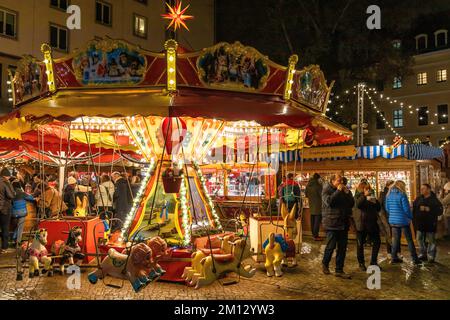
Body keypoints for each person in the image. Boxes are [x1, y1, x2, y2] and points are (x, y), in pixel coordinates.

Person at [321, 174, 354, 279]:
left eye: (342, 181)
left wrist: (348, 193)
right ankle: (325, 264)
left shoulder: (344, 190)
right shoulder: (326, 190)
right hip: (332, 223)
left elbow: (352, 203)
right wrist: (338, 191)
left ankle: (339, 270)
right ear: (332, 181)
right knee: (331, 246)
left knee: (342, 248)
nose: (341, 183)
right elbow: (329, 202)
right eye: (339, 181)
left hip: (343, 223)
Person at [385, 180, 420, 265]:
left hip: (393, 221)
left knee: (395, 240)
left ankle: (394, 257)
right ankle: (415, 258)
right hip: (403, 221)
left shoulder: (388, 195)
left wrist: (393, 214)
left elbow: (387, 208)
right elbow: (406, 209)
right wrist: (411, 217)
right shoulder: (402, 195)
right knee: (409, 240)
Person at [413, 184, 443, 263]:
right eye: (421, 188)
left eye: (423, 189)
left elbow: (440, 211)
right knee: (419, 239)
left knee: (431, 240)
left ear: (428, 190)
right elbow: (414, 207)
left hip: (430, 223)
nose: (421, 190)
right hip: (420, 223)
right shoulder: (419, 198)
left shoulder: (434, 200)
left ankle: (431, 256)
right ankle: (423, 254)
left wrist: (429, 209)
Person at [355, 183, 382, 271]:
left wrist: (375, 201)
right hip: (362, 224)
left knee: (377, 242)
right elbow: (358, 205)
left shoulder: (371, 197)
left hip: (372, 224)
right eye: (366, 189)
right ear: (362, 189)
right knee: (360, 244)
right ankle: (361, 263)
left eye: (369, 189)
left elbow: (378, 208)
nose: (369, 190)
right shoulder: (358, 196)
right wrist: (364, 196)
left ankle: (373, 261)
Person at [11, 180, 34, 245]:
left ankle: (14, 238)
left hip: (13, 213)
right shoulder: (23, 193)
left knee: (17, 226)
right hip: (22, 213)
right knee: (20, 226)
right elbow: (31, 198)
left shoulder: (11, 192)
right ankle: (17, 242)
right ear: (19, 186)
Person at [0, 168, 15, 253]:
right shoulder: (5, 183)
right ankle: (4, 248)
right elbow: (11, 195)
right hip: (4, 209)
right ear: (6, 176)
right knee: (5, 228)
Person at [378, 180, 394, 256]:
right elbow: (380, 206)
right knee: (390, 233)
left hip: (388, 216)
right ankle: (391, 251)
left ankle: (391, 251)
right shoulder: (385, 193)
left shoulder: (384, 193)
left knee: (391, 234)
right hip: (387, 216)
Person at [305, 173, 323, 240]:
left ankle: (313, 234)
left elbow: (306, 195)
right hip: (318, 205)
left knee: (312, 220)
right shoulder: (318, 186)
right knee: (317, 222)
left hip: (311, 204)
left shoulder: (308, 185)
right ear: (318, 178)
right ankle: (316, 236)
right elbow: (322, 196)